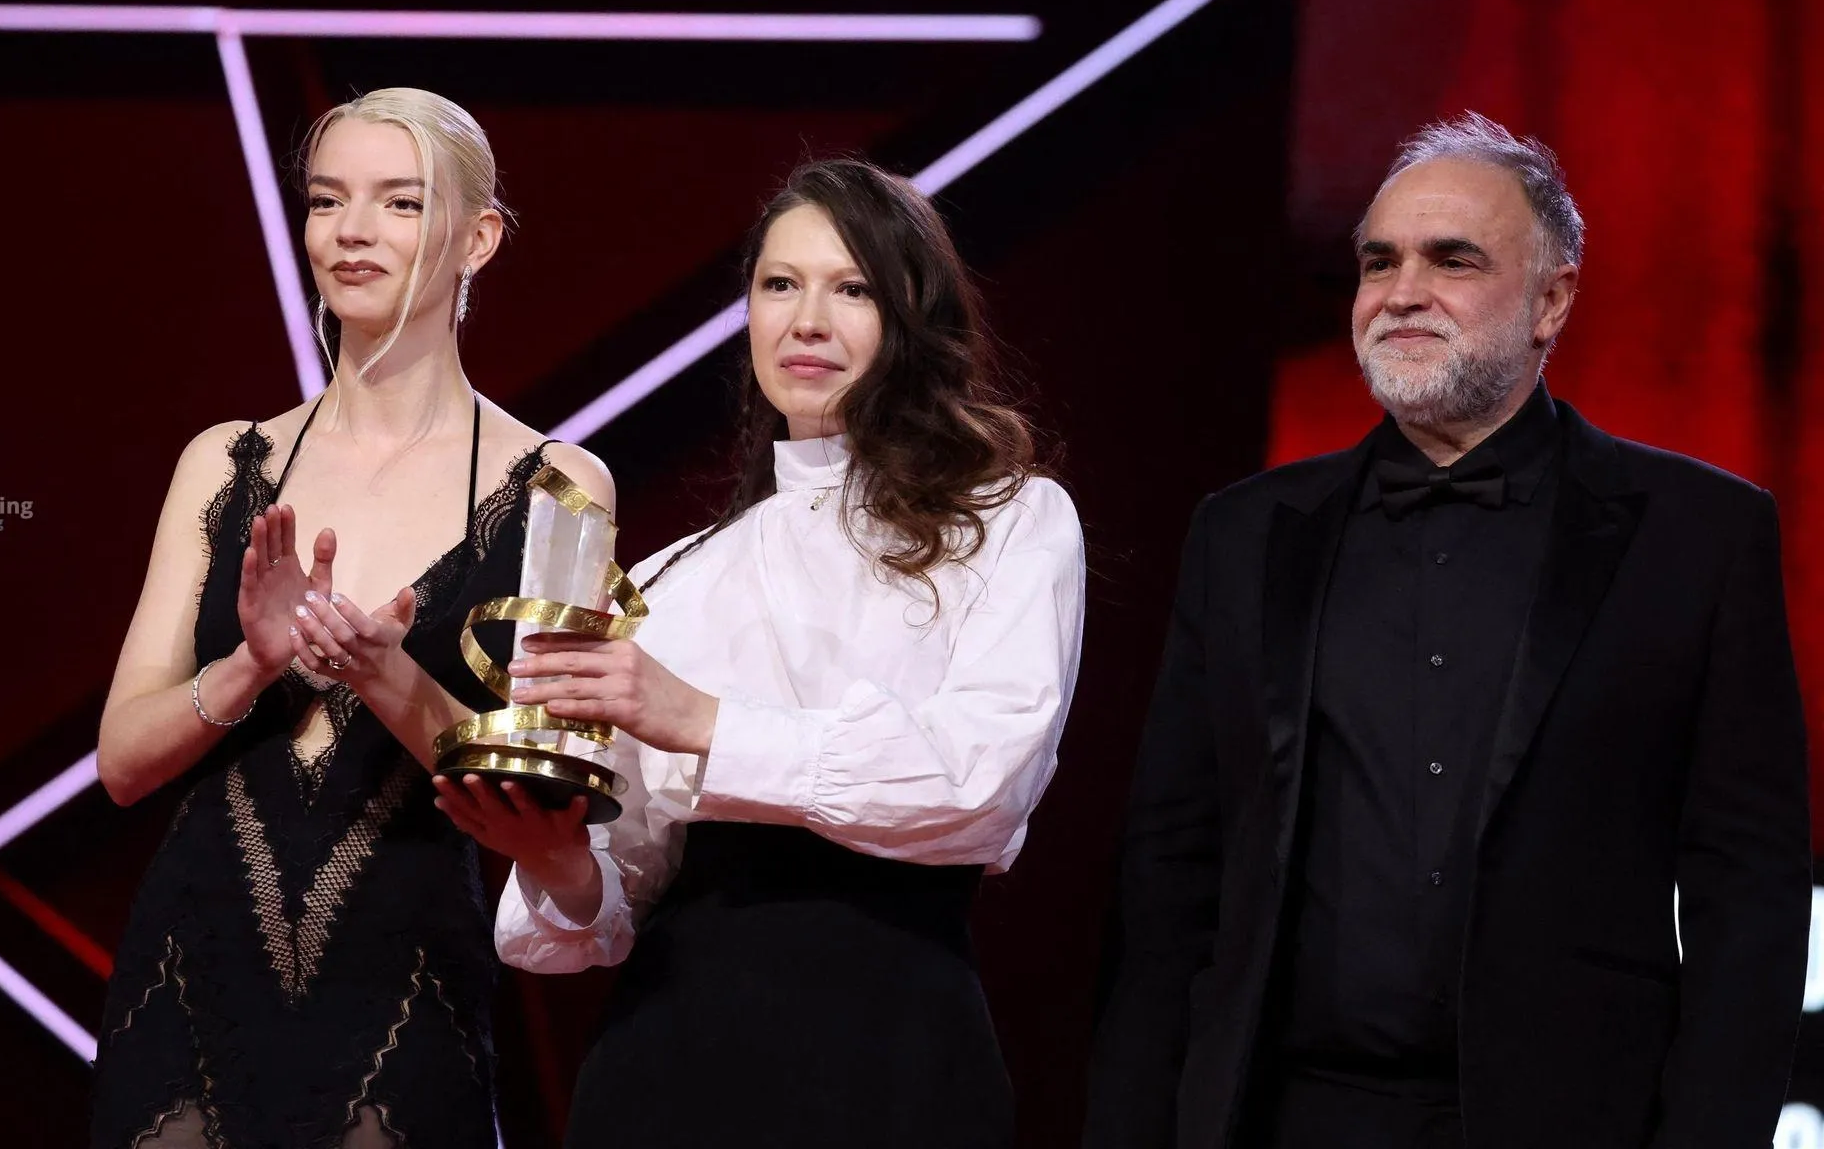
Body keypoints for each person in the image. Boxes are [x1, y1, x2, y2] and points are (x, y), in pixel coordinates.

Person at [1085, 113, 1810, 1149]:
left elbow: (1750, 893)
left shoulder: (1700, 535)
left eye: (1452, 259)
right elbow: (1169, 880)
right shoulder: (1243, 534)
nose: (1401, 292)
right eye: (1378, 261)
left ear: (1552, 299)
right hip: (1290, 1118)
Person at [434, 158, 1086, 1148]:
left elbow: (984, 784)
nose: (807, 321)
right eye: (781, 284)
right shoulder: (671, 579)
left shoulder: (1010, 521)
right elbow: (613, 899)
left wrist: (702, 720)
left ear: (915, 316)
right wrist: (557, 857)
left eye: (852, 288)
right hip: (671, 1066)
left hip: (896, 1052)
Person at [92, 87, 612, 1147]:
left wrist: (389, 675)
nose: (352, 231)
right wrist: (249, 665)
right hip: (191, 971)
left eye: (399, 202)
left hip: (406, 980)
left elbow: (548, 801)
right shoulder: (223, 460)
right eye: (328, 201)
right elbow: (122, 763)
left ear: (479, 238)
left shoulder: (564, 486)